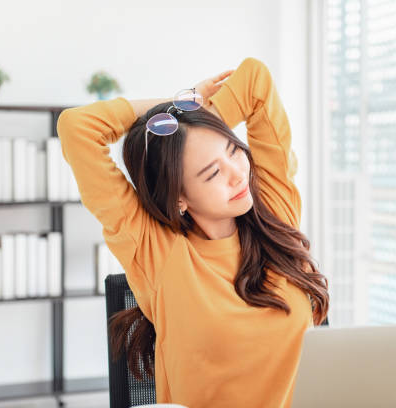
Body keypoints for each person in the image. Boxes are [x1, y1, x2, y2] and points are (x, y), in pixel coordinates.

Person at [57, 57, 329, 408]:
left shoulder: (273, 211)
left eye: (233, 151)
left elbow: (255, 80)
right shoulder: (156, 252)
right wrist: (169, 110)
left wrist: (189, 114)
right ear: (179, 196)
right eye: (212, 173)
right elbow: (76, 128)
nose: (236, 174)